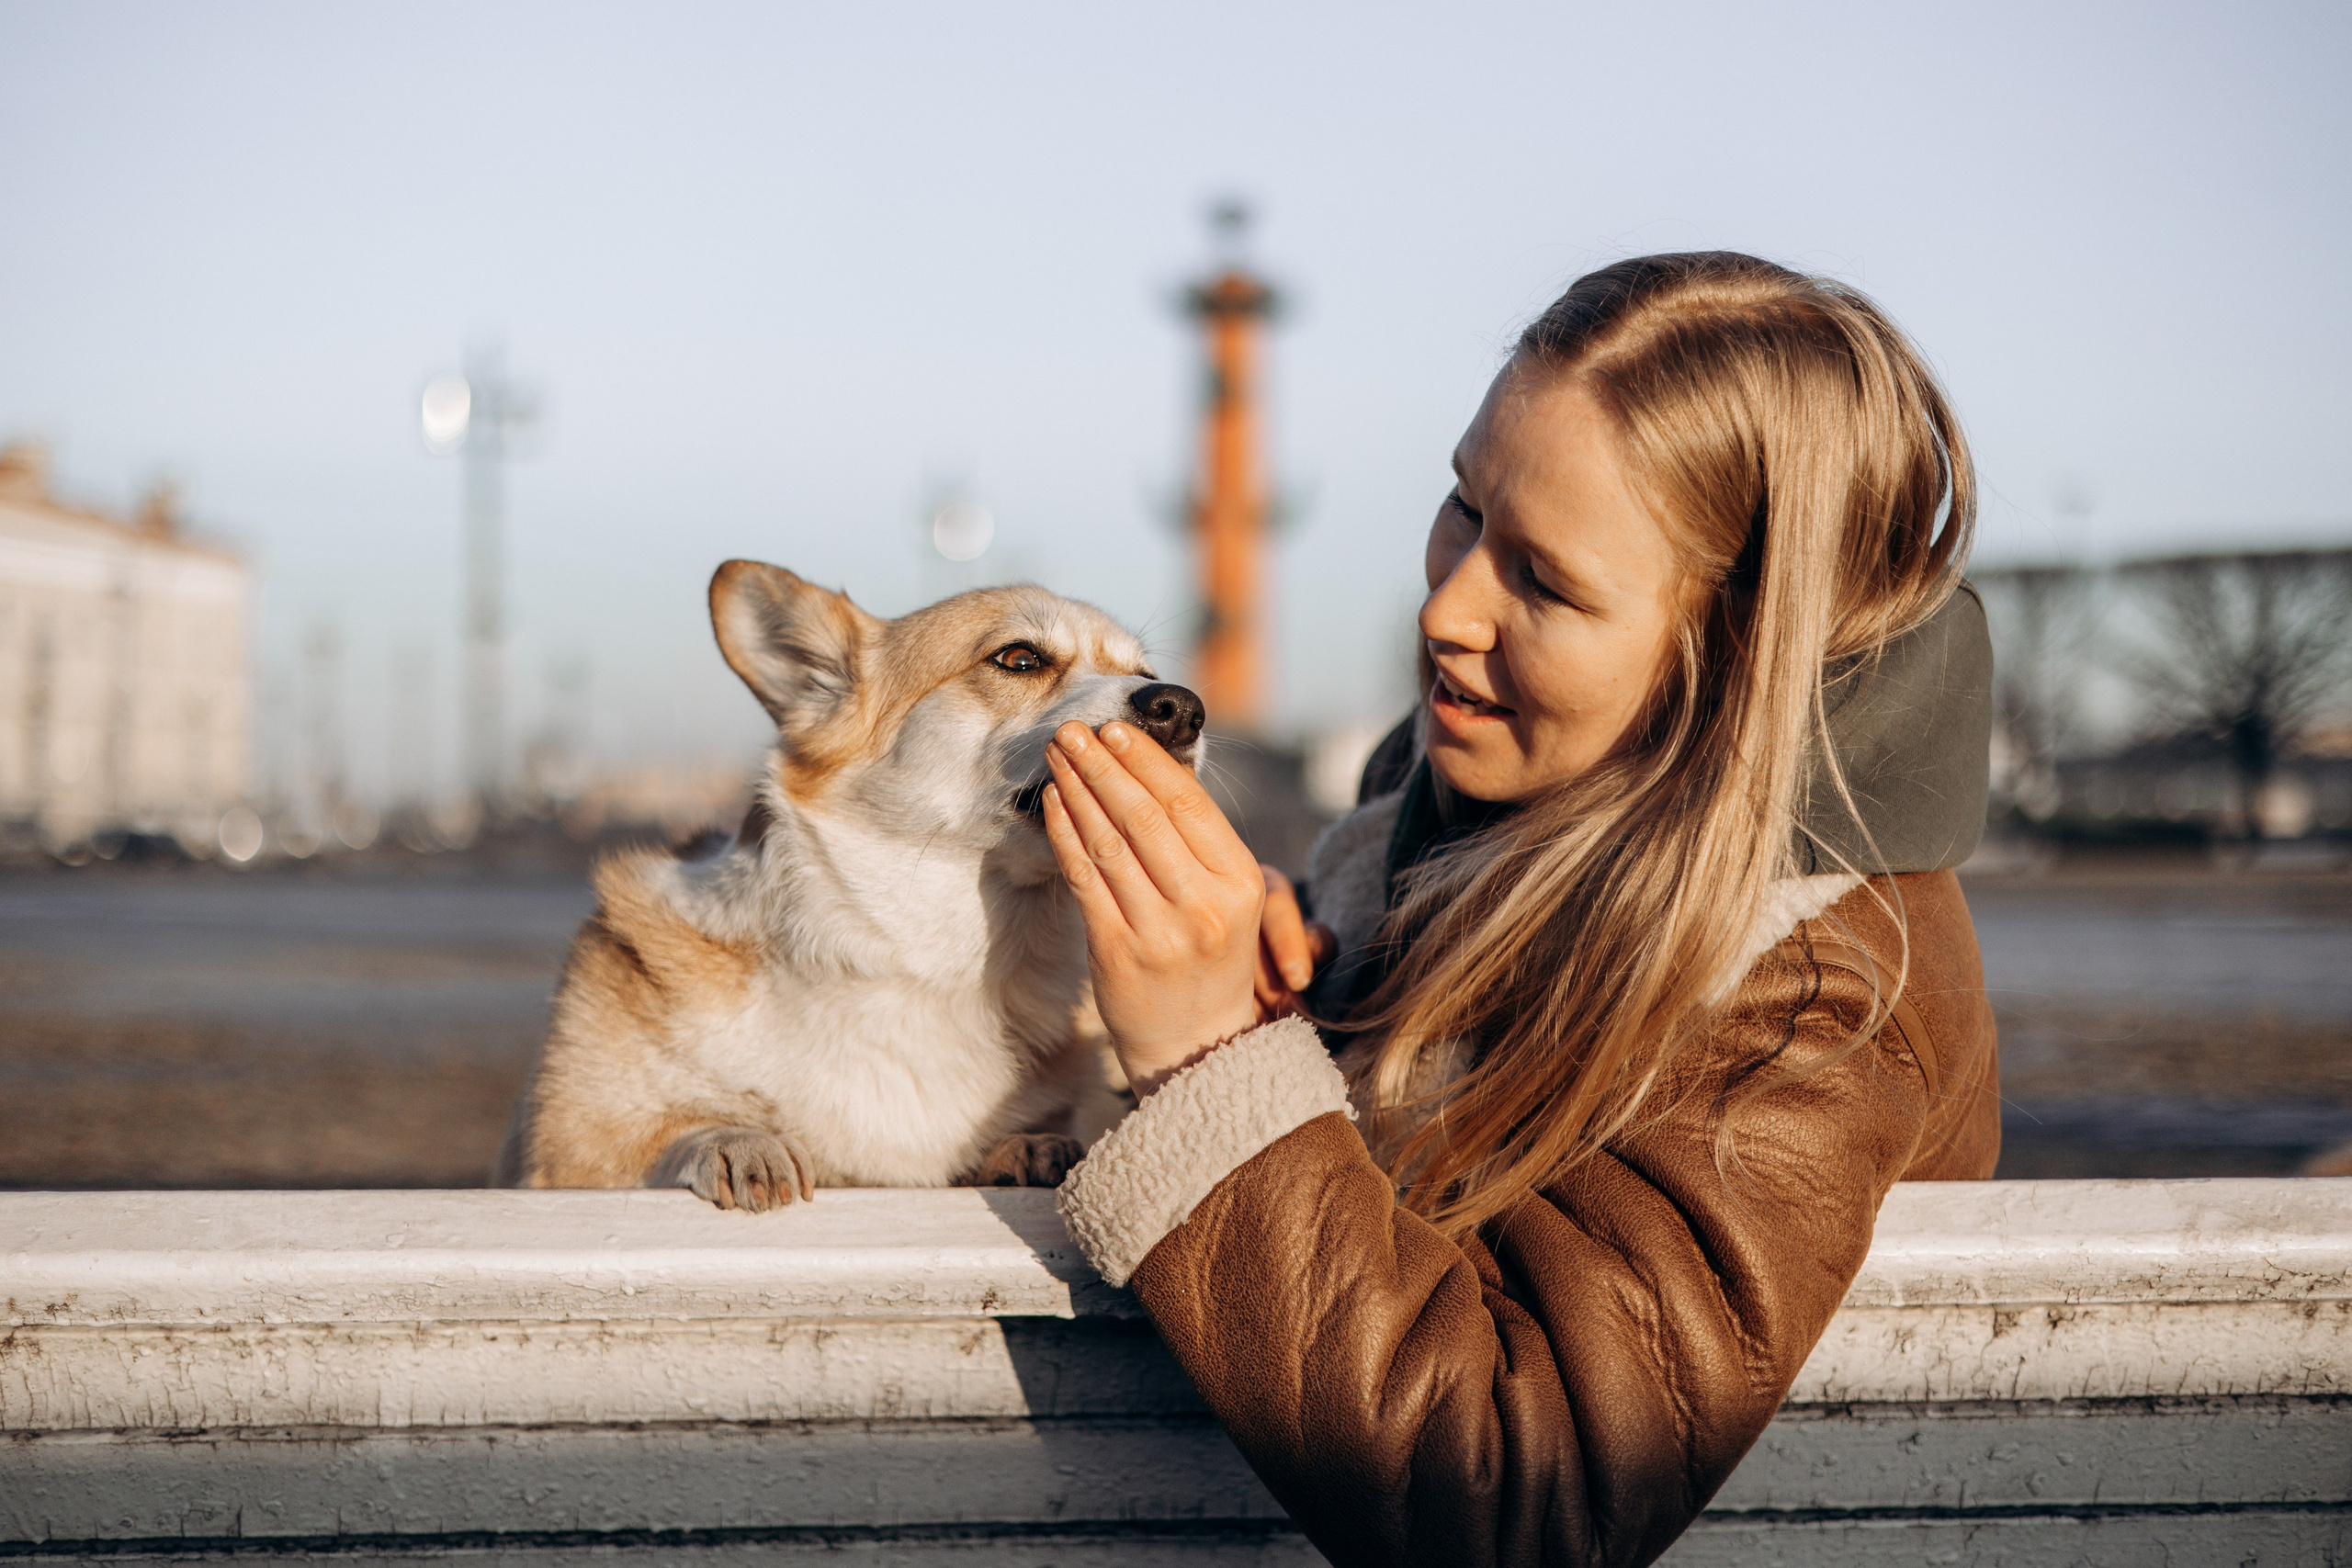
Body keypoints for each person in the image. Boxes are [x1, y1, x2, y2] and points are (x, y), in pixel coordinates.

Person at [1036, 251, 2000, 1567]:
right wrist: (1290, 1005)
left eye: (1544, 583)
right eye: (1461, 506)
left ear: (1736, 653)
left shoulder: (1817, 990)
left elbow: (1517, 1504)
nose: (1445, 606)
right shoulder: (1439, 799)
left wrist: (1209, 1059)